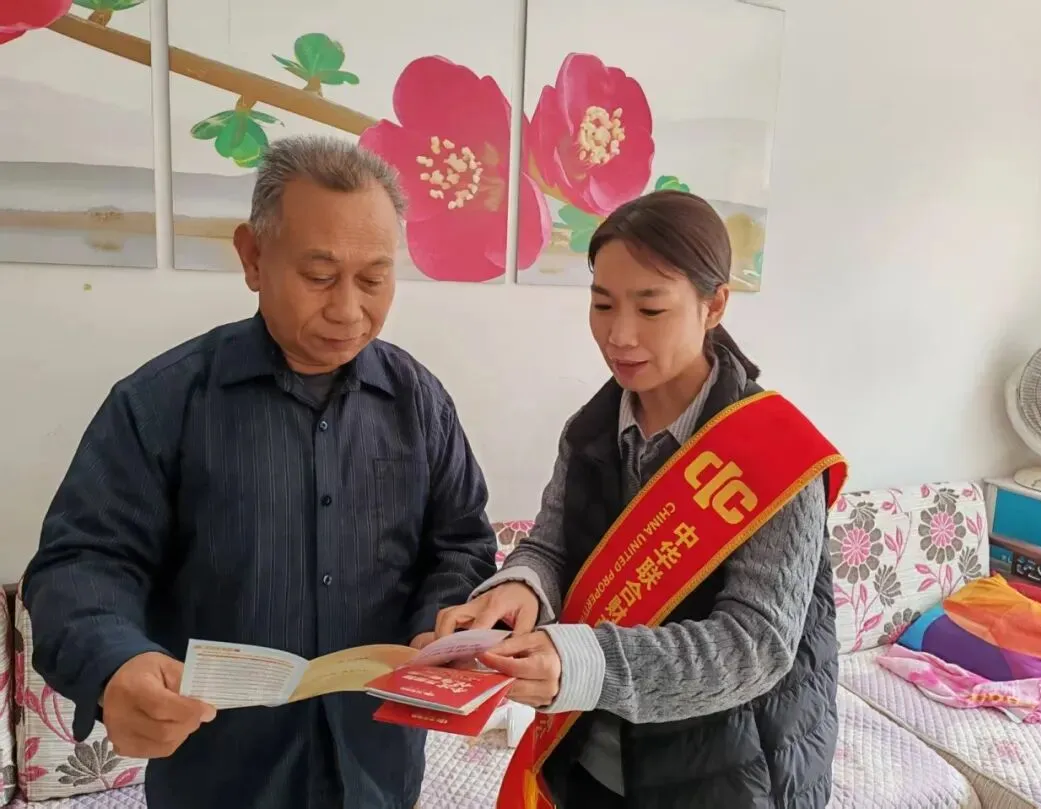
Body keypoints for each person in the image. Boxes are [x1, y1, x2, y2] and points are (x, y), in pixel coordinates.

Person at [21, 135, 497, 809]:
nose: (348, 310)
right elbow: (83, 561)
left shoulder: (418, 401)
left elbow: (461, 543)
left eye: (373, 279)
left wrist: (440, 629)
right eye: (320, 276)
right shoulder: (162, 402)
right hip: (221, 774)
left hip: (378, 768)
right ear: (252, 257)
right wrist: (117, 661)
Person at [433, 190, 847, 809]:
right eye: (602, 304)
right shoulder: (589, 431)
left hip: (727, 773)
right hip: (587, 757)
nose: (618, 335)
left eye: (651, 308)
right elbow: (551, 546)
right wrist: (518, 587)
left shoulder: (775, 453)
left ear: (714, 305)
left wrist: (582, 663)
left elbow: (755, 646)